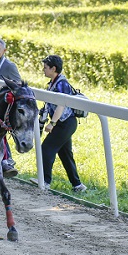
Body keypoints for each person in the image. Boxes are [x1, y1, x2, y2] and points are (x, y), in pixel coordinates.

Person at [39, 55, 87, 192]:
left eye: (45, 67)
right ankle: (77, 185)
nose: (43, 70)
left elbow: (61, 105)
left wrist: (52, 123)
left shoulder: (61, 83)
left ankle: (45, 181)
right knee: (65, 154)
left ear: (53, 68)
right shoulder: (55, 82)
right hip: (65, 123)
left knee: (46, 148)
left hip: (64, 123)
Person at [0, 38, 21, 178]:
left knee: (0, 131)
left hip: (5, 106)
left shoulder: (9, 66)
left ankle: (7, 160)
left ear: (4, 51)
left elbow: (18, 84)